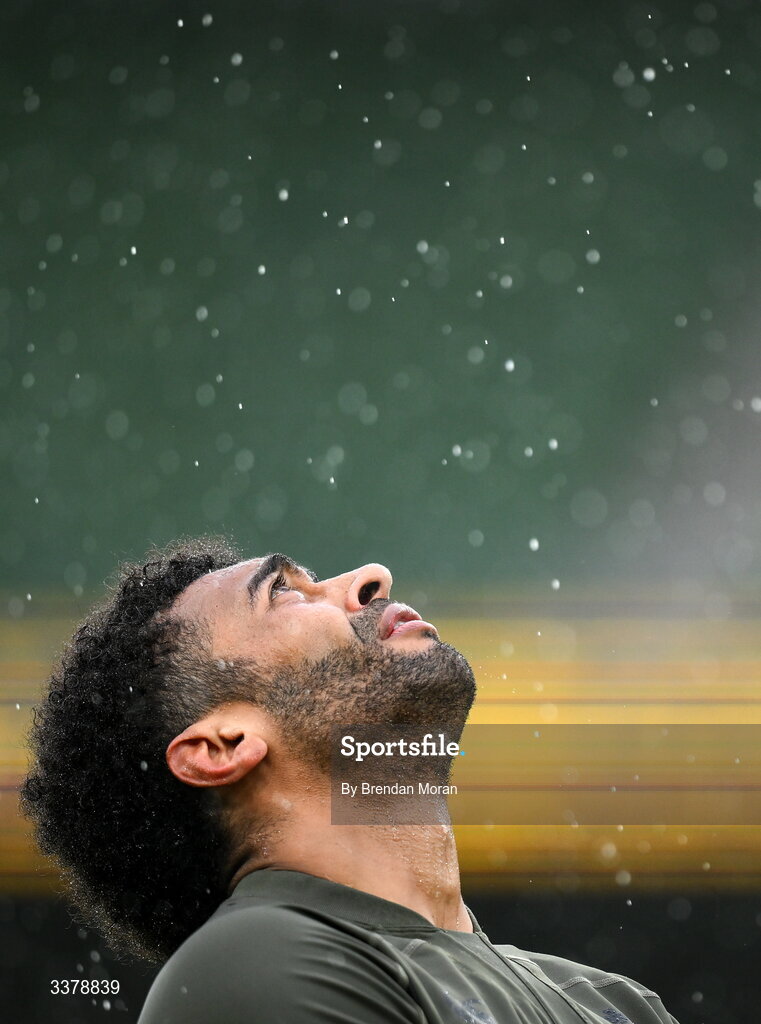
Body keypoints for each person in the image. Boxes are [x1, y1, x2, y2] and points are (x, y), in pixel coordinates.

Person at [22, 537, 679, 1024]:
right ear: (222, 746)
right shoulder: (252, 969)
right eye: (283, 592)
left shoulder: (615, 1002)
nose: (370, 578)